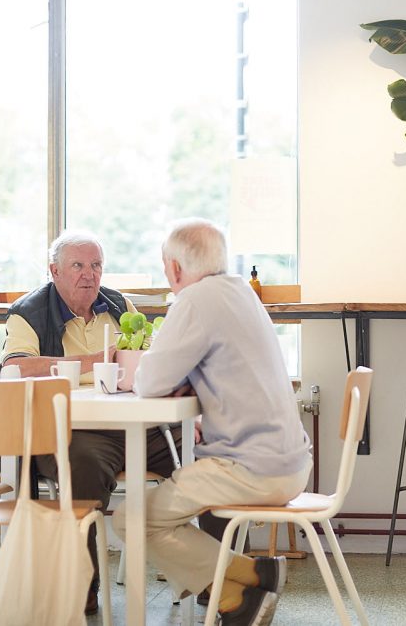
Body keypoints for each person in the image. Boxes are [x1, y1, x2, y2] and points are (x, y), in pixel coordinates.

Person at [112, 218, 312, 626]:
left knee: (130, 518)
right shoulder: (240, 292)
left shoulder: (195, 301)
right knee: (146, 515)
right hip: (289, 462)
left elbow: (148, 381)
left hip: (252, 468)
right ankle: (252, 575)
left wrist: (169, 380)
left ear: (175, 268)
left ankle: (238, 594)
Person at [1, 229, 182, 616]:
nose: (89, 274)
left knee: (204, 451)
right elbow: (14, 367)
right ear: (54, 271)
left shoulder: (119, 305)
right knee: (81, 467)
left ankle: (224, 581)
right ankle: (83, 584)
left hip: (137, 425)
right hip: (73, 431)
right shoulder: (27, 312)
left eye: (96, 265)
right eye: (78, 265)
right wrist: (94, 362)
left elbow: (148, 355)